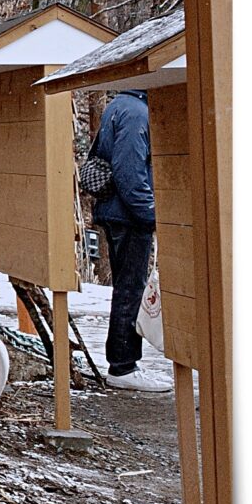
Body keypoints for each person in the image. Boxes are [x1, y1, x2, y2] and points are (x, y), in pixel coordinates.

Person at [87, 89, 169, 392]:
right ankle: (122, 365)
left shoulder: (120, 106)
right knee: (130, 288)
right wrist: (151, 215)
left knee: (127, 286)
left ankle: (124, 362)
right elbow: (129, 174)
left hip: (116, 211)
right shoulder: (137, 113)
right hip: (129, 215)